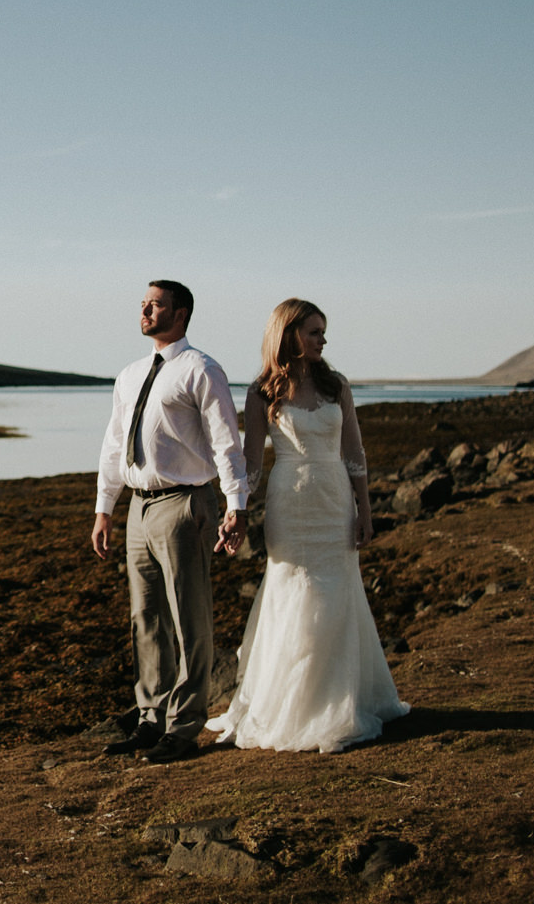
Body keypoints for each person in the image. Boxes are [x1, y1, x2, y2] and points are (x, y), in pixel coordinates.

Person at [205, 298, 409, 753]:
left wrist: (365, 510)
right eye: (314, 332)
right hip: (290, 504)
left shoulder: (336, 386)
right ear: (290, 334)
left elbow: (354, 453)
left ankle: (340, 700)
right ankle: (291, 705)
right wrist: (234, 511)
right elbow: (252, 463)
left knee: (339, 590)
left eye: (323, 332)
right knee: (294, 590)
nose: (322, 340)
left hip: (334, 500)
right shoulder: (262, 392)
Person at [91, 280, 250, 764]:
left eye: (155, 304)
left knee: (189, 618)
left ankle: (183, 728)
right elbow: (115, 444)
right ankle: (150, 719)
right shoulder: (129, 374)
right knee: (146, 619)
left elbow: (226, 442)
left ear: (179, 314)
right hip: (138, 507)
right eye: (143, 304)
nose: (144, 310)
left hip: (185, 505)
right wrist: (104, 508)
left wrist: (235, 504)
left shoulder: (201, 369)